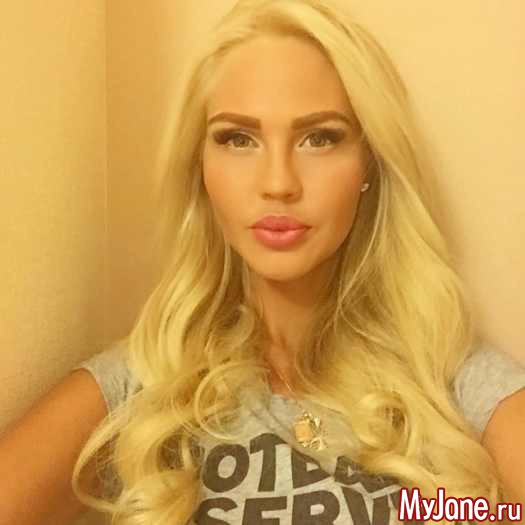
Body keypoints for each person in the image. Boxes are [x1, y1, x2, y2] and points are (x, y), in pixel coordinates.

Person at [1, 0, 524, 524]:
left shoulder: (452, 385)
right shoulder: (137, 391)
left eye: (319, 138)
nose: (278, 182)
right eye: (238, 138)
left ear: (369, 162)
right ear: (201, 168)